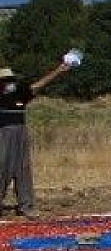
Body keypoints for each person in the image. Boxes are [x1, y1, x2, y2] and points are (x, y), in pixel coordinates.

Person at [0, 56, 75, 218]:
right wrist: (59, 71)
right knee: (3, 167)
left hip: (19, 130)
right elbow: (38, 85)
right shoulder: (12, 90)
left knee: (22, 168)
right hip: (4, 131)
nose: (9, 83)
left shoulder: (20, 90)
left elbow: (38, 85)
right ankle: (25, 205)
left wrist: (59, 70)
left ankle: (26, 205)